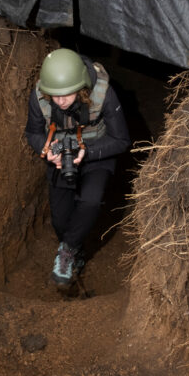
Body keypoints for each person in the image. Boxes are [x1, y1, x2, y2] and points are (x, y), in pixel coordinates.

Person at [25, 48, 130, 286]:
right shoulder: (40, 96)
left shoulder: (103, 94)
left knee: (90, 200)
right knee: (61, 221)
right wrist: (47, 150)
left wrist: (88, 152)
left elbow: (121, 140)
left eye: (67, 95)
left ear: (82, 87)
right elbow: (32, 132)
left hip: (96, 151)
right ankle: (74, 247)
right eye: (55, 95)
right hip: (62, 155)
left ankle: (68, 251)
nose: (60, 101)